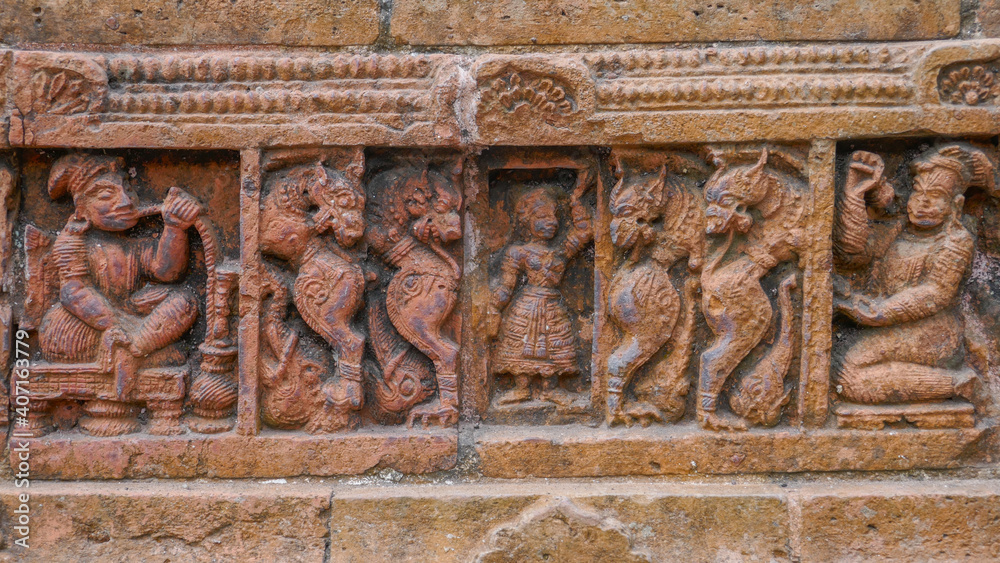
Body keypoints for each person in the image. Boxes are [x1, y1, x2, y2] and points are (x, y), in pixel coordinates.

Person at [832, 145, 992, 404]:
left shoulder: (955, 241)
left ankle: (961, 385)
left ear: (956, 204)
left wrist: (880, 312)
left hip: (934, 333)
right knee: (838, 361)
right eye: (918, 193)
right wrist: (854, 194)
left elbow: (936, 293)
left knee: (848, 370)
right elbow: (852, 254)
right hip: (894, 324)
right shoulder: (899, 230)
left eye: (936, 195)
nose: (923, 202)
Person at [39, 154, 200, 397]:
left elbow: (166, 273)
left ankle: (132, 350)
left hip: (129, 317)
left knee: (184, 302)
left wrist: (175, 228)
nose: (126, 201)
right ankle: (144, 349)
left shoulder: (134, 242)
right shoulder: (73, 242)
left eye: (127, 189)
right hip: (88, 323)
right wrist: (115, 326)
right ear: (81, 211)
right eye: (106, 195)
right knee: (57, 329)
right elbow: (74, 291)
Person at [486, 181, 593, 406]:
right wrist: (494, 308)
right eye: (542, 217)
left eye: (554, 216)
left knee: (555, 342)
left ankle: (550, 388)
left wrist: (575, 201)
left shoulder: (560, 251)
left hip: (552, 305)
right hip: (525, 306)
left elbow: (585, 232)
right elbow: (507, 286)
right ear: (527, 222)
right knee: (519, 341)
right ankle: (521, 387)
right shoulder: (518, 252)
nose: (551, 223)